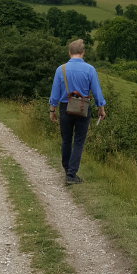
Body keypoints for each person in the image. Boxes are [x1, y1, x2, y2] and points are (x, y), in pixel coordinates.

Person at [49, 39, 106, 185]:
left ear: (69, 52)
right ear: (83, 52)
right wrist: (101, 108)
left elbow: (55, 92)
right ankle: (71, 174)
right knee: (79, 141)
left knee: (66, 140)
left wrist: (52, 109)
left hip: (64, 107)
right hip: (83, 108)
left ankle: (67, 168)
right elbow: (97, 91)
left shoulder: (60, 69)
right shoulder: (90, 69)